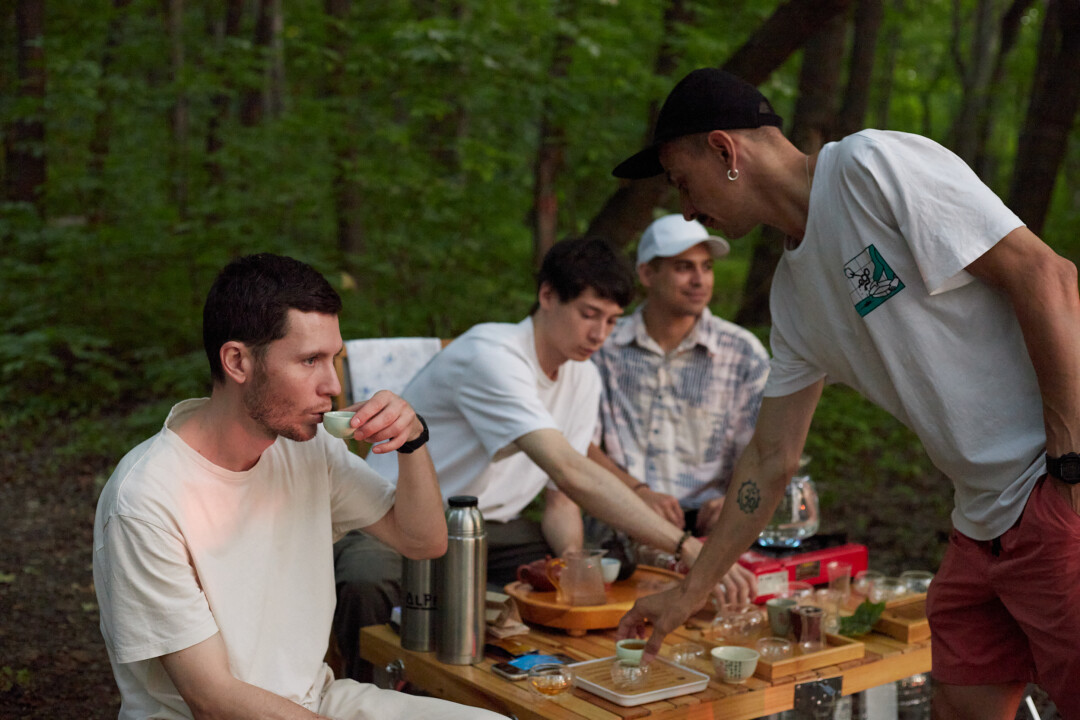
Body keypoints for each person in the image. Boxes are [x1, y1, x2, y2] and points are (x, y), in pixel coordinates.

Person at [610, 68, 1080, 720]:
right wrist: (693, 588)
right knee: (960, 704)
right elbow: (771, 457)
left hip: (1052, 491)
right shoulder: (794, 298)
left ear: (725, 151)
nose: (687, 209)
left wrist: (1069, 465)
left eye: (683, 183)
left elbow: (1048, 276)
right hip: (980, 524)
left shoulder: (870, 167)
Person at [92, 254, 503, 720]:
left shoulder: (307, 448)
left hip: (319, 703)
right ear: (237, 361)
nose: (332, 385)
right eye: (310, 360)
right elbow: (212, 699)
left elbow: (423, 541)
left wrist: (412, 442)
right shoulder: (145, 499)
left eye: (335, 359)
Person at [333, 237, 757, 680]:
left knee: (598, 569)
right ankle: (373, 692)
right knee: (366, 577)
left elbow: (561, 501)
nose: (599, 335)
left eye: (612, 321)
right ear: (548, 296)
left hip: (492, 530)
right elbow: (570, 471)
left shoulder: (583, 377)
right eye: (589, 314)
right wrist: (688, 547)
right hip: (396, 515)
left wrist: (575, 564)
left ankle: (536, 681)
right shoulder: (492, 356)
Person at [588, 214, 770, 539]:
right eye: (684, 267)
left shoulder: (742, 352)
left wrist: (735, 500)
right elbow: (579, 444)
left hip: (712, 530)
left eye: (707, 267)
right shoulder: (604, 346)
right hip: (620, 525)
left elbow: (764, 449)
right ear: (647, 273)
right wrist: (637, 492)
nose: (700, 280)